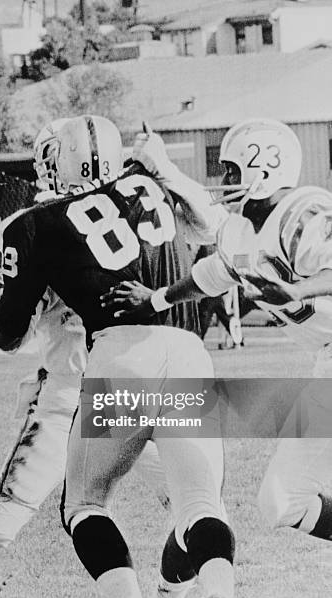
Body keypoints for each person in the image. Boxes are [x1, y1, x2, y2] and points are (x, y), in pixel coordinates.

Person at [0, 115, 237, 598]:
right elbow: (213, 228)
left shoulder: (32, 226)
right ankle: (203, 594)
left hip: (99, 375)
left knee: (86, 507)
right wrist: (165, 171)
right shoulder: (145, 190)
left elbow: (10, 330)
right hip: (123, 370)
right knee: (196, 503)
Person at [105, 117, 332, 561]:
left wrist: (298, 290)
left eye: (232, 170)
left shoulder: (302, 212)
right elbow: (209, 277)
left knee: (285, 498)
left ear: (265, 169)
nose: (225, 180)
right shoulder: (247, 228)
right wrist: (154, 299)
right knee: (283, 501)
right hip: (327, 360)